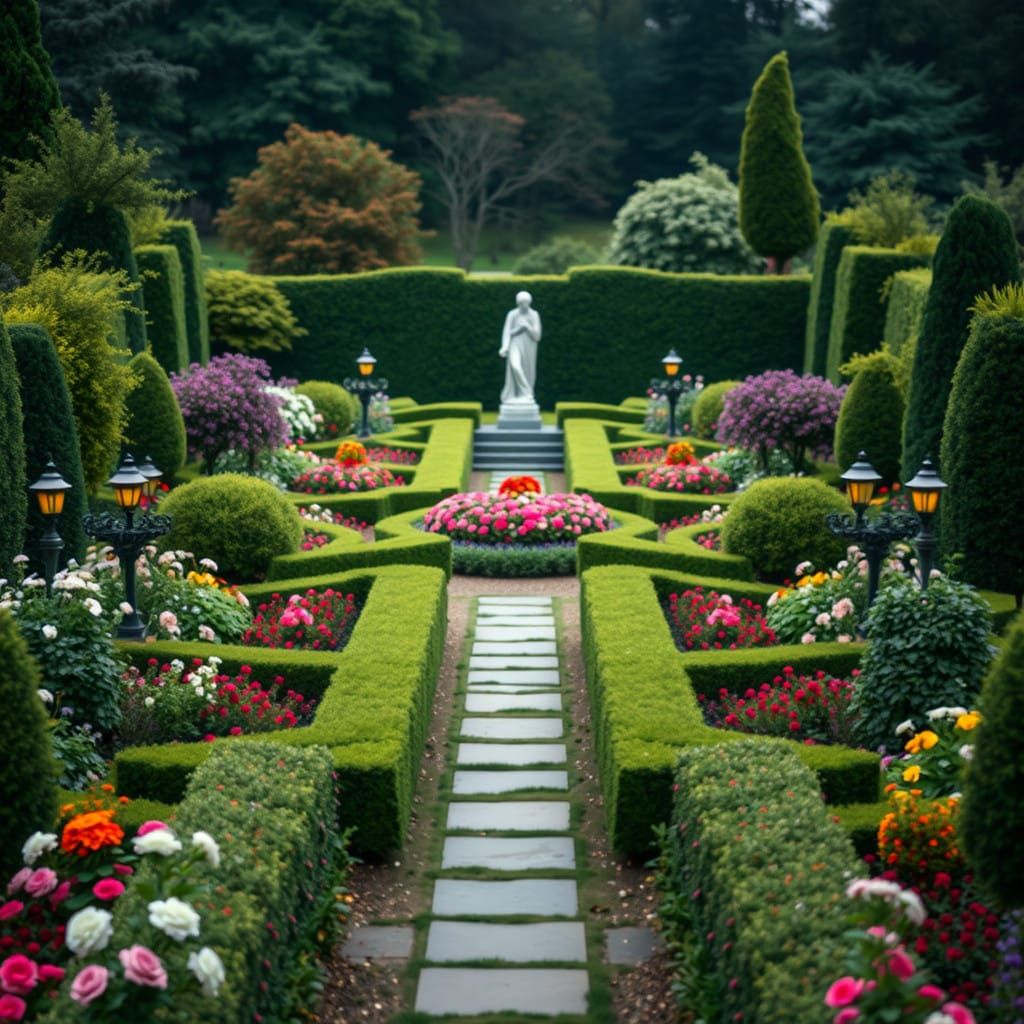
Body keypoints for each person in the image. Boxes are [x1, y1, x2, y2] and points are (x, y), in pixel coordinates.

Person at [499, 291, 542, 404]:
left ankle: (526, 395)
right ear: (518, 303)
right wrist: (505, 346)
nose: (524, 305)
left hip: (529, 346)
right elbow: (507, 332)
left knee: (528, 371)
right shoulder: (512, 314)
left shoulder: (534, 315)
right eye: (521, 303)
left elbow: (537, 336)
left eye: (526, 303)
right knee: (515, 366)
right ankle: (526, 393)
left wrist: (527, 326)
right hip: (515, 344)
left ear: (529, 302)